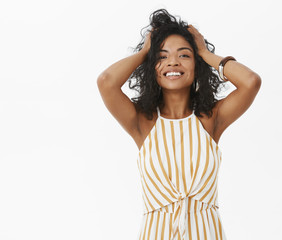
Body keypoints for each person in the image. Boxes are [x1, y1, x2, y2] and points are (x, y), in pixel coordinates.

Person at [97, 9, 261, 240]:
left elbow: (250, 82)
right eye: (162, 56)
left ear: (198, 65)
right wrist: (145, 51)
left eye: (184, 55)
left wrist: (204, 52)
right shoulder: (143, 123)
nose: (172, 61)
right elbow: (106, 82)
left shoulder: (210, 119)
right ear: (151, 66)